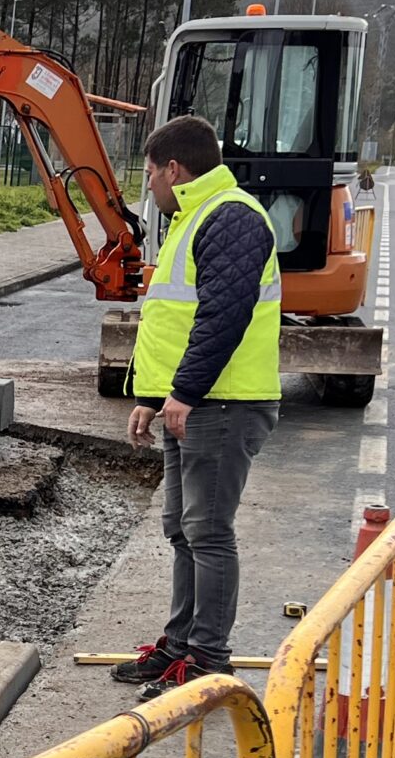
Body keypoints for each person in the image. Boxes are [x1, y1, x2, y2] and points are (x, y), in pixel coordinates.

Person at [116, 115, 282, 698]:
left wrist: (184, 392)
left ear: (174, 169)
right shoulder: (195, 218)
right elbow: (171, 320)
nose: (149, 184)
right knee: (182, 530)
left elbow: (223, 317)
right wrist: (150, 397)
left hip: (222, 402)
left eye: (150, 173)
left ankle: (208, 658)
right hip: (192, 401)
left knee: (207, 530)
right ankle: (180, 644)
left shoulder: (230, 217)